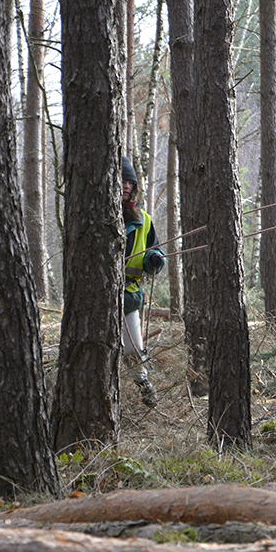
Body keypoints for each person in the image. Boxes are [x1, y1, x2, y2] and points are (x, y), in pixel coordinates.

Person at [121, 156, 165, 406]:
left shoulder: (145, 220)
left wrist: (154, 259)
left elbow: (153, 251)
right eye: (122, 181)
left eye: (130, 182)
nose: (126, 186)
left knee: (133, 349)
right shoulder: (99, 214)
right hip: (98, 295)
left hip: (129, 295)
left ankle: (143, 384)